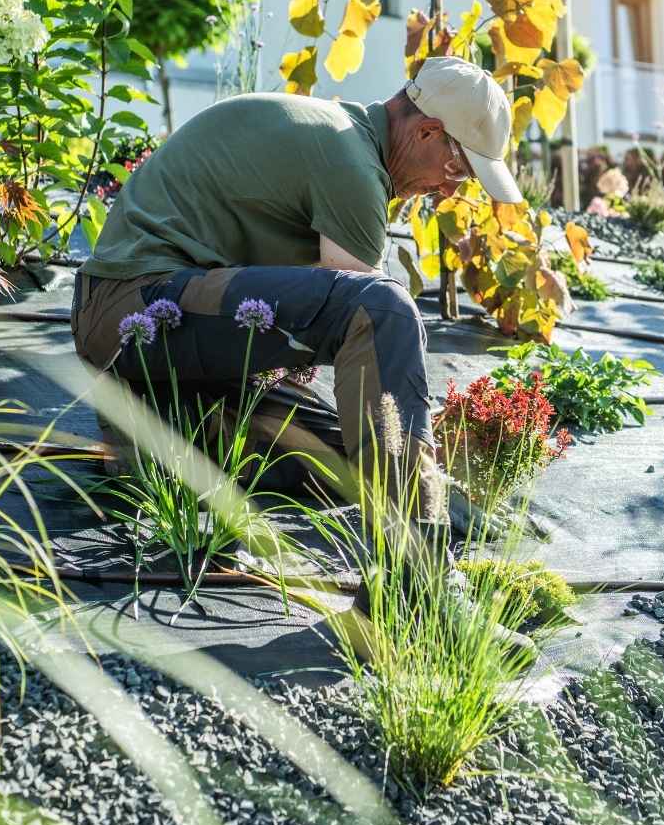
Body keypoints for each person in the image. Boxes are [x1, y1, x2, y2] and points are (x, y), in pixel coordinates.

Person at [71, 56, 535, 656]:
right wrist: (423, 460)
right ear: (426, 131)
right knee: (384, 309)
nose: (450, 190)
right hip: (135, 306)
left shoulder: (345, 138)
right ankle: (418, 591)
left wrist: (432, 476)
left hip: (164, 350)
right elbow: (364, 323)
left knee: (340, 460)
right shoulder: (350, 162)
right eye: (458, 170)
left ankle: (157, 437)